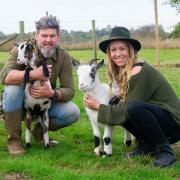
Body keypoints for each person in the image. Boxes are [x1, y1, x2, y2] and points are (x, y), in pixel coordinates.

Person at [83, 26, 180, 167]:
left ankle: (165, 151)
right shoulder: (124, 71)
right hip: (160, 121)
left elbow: (128, 110)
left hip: (174, 124)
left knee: (131, 107)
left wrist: (98, 106)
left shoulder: (138, 70)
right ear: (109, 54)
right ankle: (146, 145)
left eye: (122, 49)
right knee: (118, 103)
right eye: (113, 50)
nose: (117, 53)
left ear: (130, 50)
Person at [0, 15, 80, 155]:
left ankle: (39, 131)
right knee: (12, 91)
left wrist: (52, 93)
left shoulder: (64, 56)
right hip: (21, 103)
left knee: (73, 112)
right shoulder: (22, 48)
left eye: (52, 36)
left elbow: (70, 90)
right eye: (44, 35)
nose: (48, 40)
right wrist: (32, 74)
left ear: (58, 37)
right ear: (37, 35)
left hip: (44, 102)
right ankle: (14, 141)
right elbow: (4, 76)